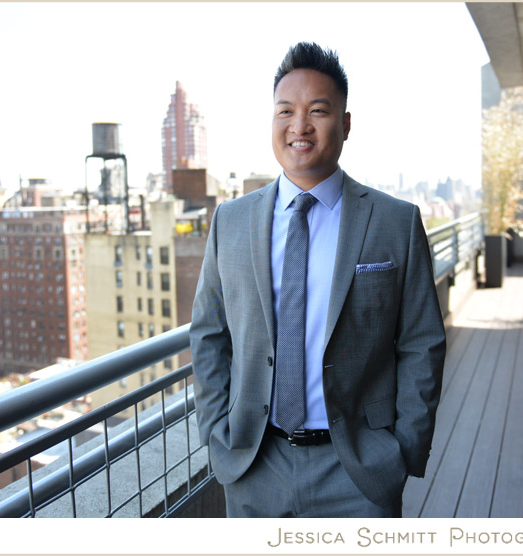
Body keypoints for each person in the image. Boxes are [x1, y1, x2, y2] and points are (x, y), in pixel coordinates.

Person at [189, 42, 446, 518]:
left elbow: (421, 342)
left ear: (345, 124)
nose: (299, 125)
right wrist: (216, 431)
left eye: (318, 111)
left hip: (358, 469)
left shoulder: (396, 222)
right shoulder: (231, 221)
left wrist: (405, 447)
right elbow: (209, 332)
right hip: (254, 464)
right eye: (285, 110)